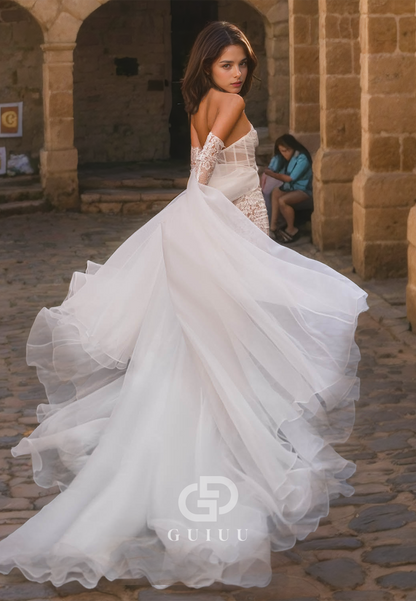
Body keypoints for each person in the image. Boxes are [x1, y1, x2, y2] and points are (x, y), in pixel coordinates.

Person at [0, 21, 368, 591]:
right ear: (208, 66)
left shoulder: (199, 105)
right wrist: (220, 217)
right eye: (227, 64)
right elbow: (201, 178)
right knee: (224, 357)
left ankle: (180, 472)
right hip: (227, 245)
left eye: (242, 63)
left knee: (201, 360)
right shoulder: (229, 104)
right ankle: (213, 479)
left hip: (223, 244)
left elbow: (203, 172)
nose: (238, 73)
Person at [263, 134, 313, 243]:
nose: (285, 153)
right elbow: (272, 167)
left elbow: (290, 178)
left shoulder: (302, 158)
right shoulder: (283, 158)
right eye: (282, 151)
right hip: (292, 188)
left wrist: (273, 174)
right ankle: (273, 227)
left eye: (287, 150)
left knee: (283, 201)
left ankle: (291, 229)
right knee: (276, 191)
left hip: (304, 190)